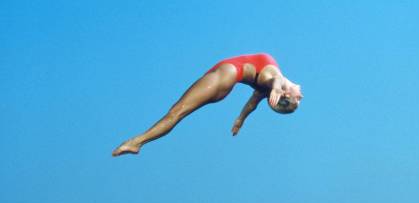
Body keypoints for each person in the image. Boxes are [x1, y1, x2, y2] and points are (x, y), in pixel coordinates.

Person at [112, 53, 302, 157]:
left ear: (285, 94)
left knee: (177, 112)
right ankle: (138, 143)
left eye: (297, 99)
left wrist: (276, 89)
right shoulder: (264, 90)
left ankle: (135, 142)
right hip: (225, 77)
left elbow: (275, 80)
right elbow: (251, 105)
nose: (301, 95)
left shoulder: (277, 81)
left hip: (226, 75)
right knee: (178, 112)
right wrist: (240, 120)